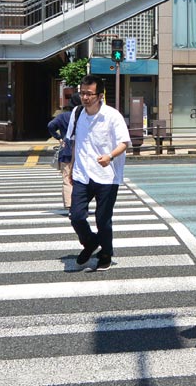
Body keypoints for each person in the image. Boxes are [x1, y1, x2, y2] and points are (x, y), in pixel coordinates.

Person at [65, 75, 131, 272]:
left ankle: (106, 253)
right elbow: (75, 142)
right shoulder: (77, 114)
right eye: (82, 93)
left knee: (103, 220)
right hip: (82, 174)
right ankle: (91, 242)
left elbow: (124, 143)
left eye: (89, 94)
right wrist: (71, 167)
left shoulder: (112, 116)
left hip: (107, 176)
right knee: (76, 216)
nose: (84, 97)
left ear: (100, 95)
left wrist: (110, 156)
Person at [48, 92, 82, 210]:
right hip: (83, 151)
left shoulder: (64, 116)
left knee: (67, 178)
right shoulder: (85, 115)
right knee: (82, 179)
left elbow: (51, 125)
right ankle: (81, 204)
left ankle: (69, 204)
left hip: (67, 149)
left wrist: (59, 138)